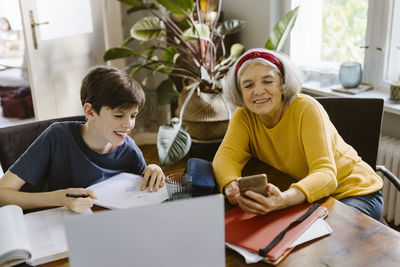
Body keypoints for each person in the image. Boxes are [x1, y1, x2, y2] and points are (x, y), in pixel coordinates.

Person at [212, 48, 384, 220]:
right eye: (248, 85)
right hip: (314, 195)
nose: (258, 91)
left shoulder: (306, 108)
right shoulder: (244, 116)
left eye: (268, 81)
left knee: (326, 240)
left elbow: (325, 174)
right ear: (240, 91)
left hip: (356, 191)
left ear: (283, 84)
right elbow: (225, 158)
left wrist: (282, 200)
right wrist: (231, 186)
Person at [0, 66, 165, 213]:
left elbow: (146, 194)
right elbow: (2, 194)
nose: (128, 124)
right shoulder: (57, 137)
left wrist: (153, 169)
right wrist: (60, 198)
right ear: (90, 112)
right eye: (119, 115)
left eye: (133, 115)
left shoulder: (129, 150)